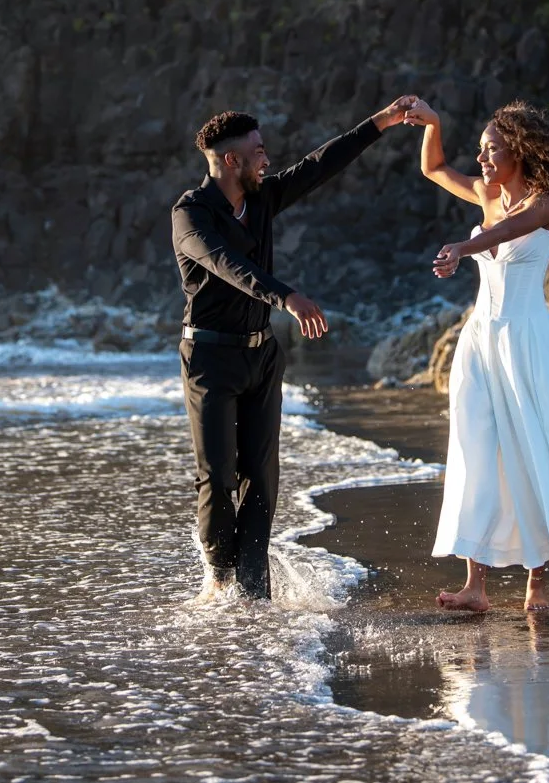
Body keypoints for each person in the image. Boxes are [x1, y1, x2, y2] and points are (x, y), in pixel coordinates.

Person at [171, 97, 416, 601]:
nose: (268, 158)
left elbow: (319, 165)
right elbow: (224, 264)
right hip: (210, 360)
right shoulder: (190, 215)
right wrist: (286, 295)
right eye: (258, 151)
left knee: (260, 478)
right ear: (232, 161)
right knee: (217, 478)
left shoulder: (262, 198)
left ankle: (254, 592)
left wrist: (380, 121)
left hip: (261, 356)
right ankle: (218, 575)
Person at [402, 98, 549, 612]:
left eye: (493, 150)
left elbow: (510, 230)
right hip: (480, 341)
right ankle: (475, 586)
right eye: (481, 149)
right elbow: (433, 168)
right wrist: (435, 123)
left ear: (521, 150)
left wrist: (465, 248)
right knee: (477, 452)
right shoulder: (485, 192)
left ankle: (537, 580)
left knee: (534, 451)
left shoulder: (545, 203)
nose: (483, 159)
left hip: (528, 342)